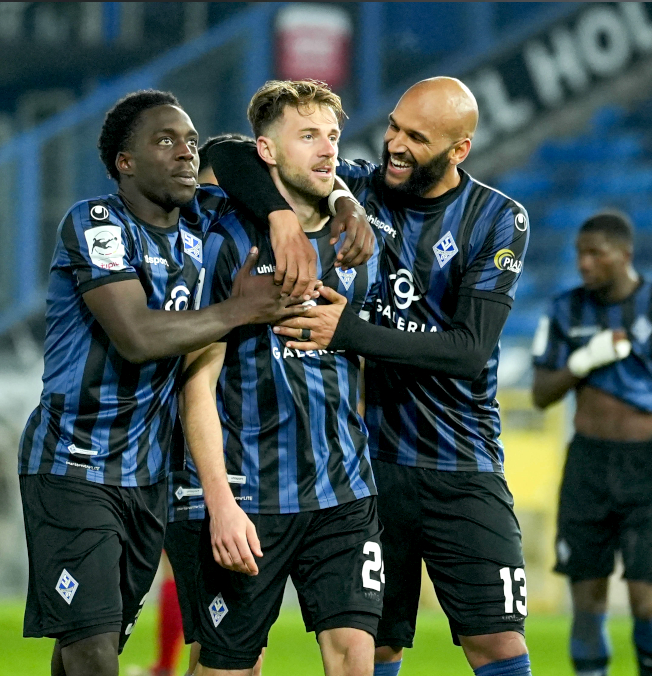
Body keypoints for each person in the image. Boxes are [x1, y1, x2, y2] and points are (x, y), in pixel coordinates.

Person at [17, 89, 375, 676]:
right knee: (93, 649)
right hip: (76, 462)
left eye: (188, 141)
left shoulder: (202, 221)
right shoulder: (97, 223)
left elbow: (231, 153)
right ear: (124, 162)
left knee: (91, 643)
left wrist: (339, 201)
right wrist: (241, 310)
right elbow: (136, 335)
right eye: (165, 141)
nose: (186, 152)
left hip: (150, 473)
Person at [209, 77, 534, 676]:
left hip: (463, 460)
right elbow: (225, 153)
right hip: (372, 468)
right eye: (393, 127)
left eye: (417, 138)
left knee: (498, 642)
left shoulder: (497, 218)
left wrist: (350, 331)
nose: (395, 145)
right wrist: (286, 216)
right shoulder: (358, 187)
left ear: (459, 150)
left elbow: (469, 351)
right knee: (375, 644)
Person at [182, 79, 383, 676]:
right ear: (267, 151)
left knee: (355, 657)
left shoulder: (355, 242)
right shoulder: (226, 241)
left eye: (333, 136)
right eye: (308, 136)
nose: (328, 149)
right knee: (228, 667)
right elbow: (197, 384)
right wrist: (219, 503)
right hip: (251, 495)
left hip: (344, 493)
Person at [531, 211, 652, 676]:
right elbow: (541, 394)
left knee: (646, 601)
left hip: (645, 467)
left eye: (596, 254)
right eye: (579, 254)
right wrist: (583, 361)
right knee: (587, 603)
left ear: (625, 255)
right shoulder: (564, 309)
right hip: (586, 465)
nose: (584, 263)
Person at [155, 132, 260, 676]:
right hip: (190, 461)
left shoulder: (246, 259)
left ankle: (162, 663)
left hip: (242, 461)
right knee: (227, 656)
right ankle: (162, 662)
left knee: (236, 654)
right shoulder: (192, 259)